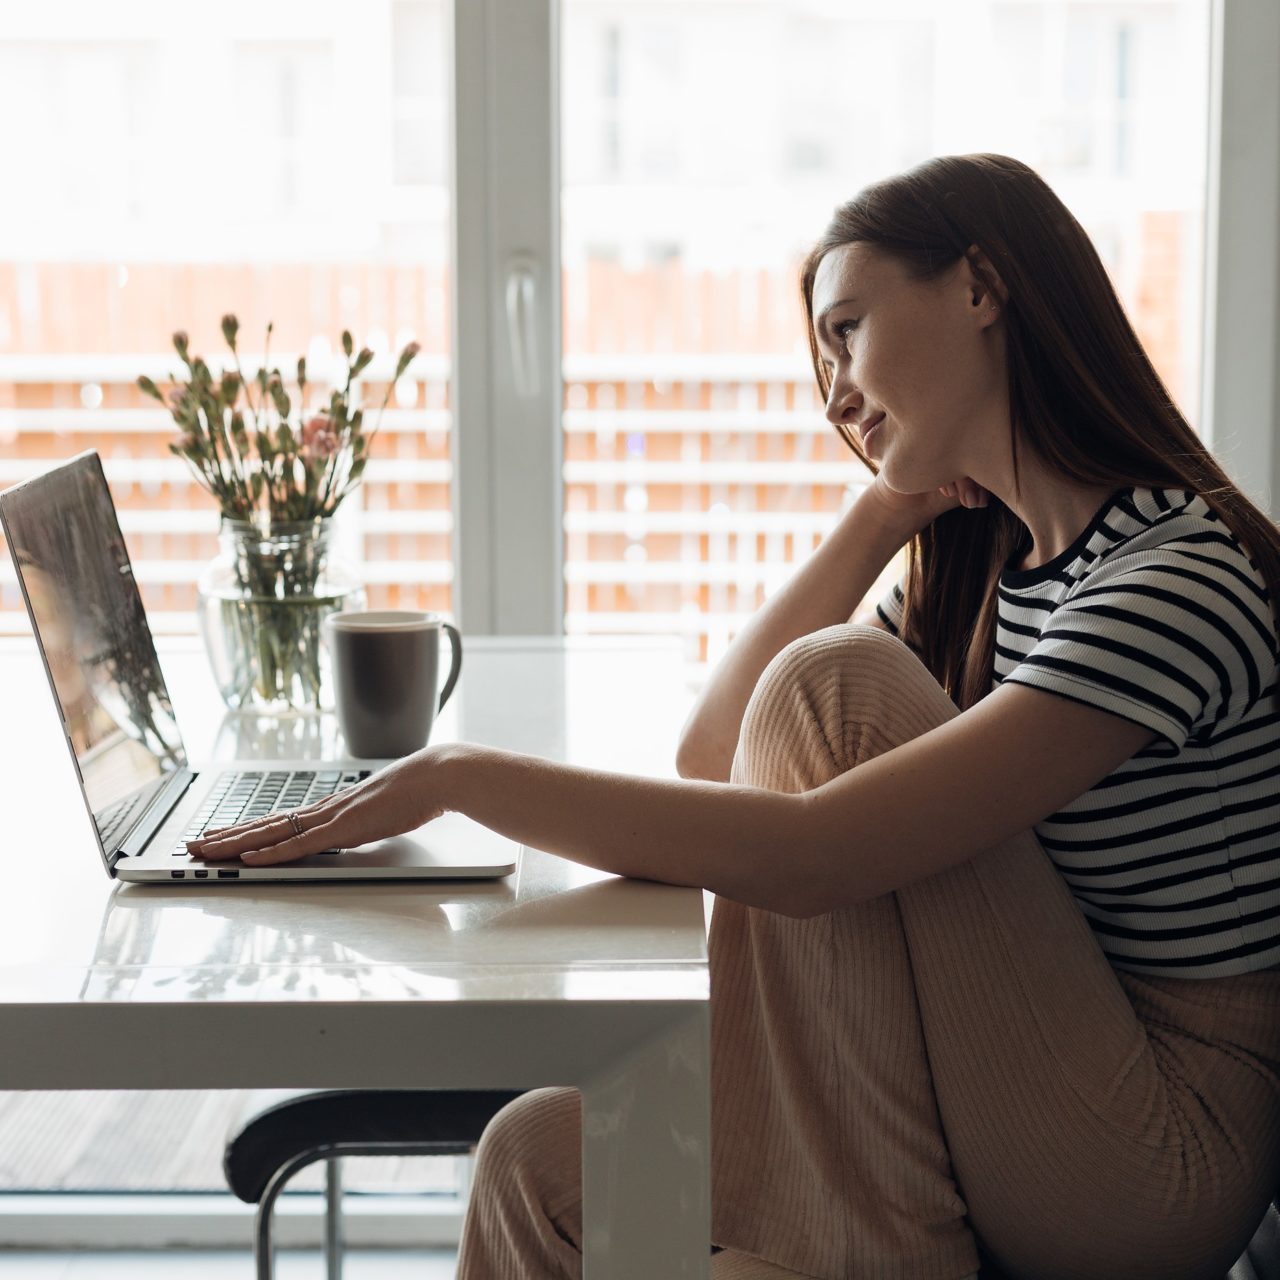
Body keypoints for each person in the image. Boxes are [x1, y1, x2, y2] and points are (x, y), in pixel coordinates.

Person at [187, 153, 1280, 1280]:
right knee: (534, 1163)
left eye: (847, 330)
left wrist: (458, 775)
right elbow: (719, 752)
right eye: (821, 365)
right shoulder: (990, 569)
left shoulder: (1170, 575)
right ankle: (852, 1240)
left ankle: (862, 1255)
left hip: (1154, 1147)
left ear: (978, 287)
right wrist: (884, 508)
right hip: (1008, 1081)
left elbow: (804, 851)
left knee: (834, 685)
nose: (834, 393)